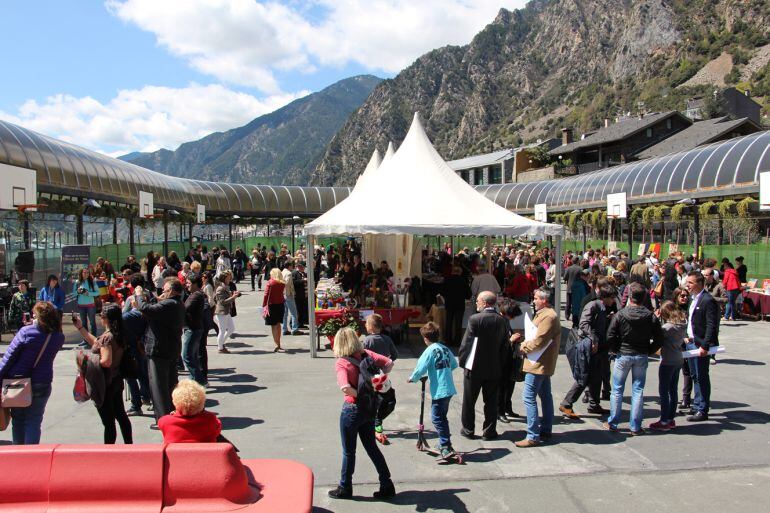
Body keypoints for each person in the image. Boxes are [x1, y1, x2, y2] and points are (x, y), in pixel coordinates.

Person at [329, 327, 395, 500]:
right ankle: (386, 484)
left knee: (349, 451)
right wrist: (375, 387)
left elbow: (345, 387)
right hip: (370, 408)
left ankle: (345, 487)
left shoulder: (342, 362)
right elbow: (389, 363)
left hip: (352, 409)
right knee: (372, 447)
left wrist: (361, 394)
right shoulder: (366, 353)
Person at [0, 301, 65, 444]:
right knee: (34, 421)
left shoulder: (26, 332)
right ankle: (32, 457)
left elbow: (9, 357)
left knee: (18, 421)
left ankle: (19, 456)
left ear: (39, 316)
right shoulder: (58, 337)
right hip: (43, 382)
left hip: (19, 383)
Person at [604, 283, 663, 435]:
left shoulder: (621, 314)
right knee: (638, 390)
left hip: (624, 353)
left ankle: (613, 422)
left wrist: (615, 349)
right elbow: (659, 338)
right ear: (644, 297)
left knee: (617, 389)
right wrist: (649, 350)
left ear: (630, 297)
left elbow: (610, 335)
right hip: (641, 354)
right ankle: (635, 426)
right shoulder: (650, 316)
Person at [73, 304, 132, 444]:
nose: (100, 317)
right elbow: (96, 342)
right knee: (121, 415)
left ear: (107, 319)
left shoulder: (107, 338)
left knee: (108, 421)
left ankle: (108, 451)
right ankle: (129, 445)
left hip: (105, 383)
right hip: (116, 380)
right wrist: (81, 328)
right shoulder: (117, 334)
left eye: (102, 315)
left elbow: (106, 361)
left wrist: (86, 360)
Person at [133, 278, 186, 427]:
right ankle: (171, 413)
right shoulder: (176, 303)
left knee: (158, 385)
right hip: (170, 349)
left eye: (166, 290)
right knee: (170, 384)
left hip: (159, 349)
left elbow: (147, 309)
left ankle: (163, 419)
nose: (163, 293)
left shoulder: (170, 304)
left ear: (173, 291)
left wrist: (139, 295)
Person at [513, 288, 561, 447]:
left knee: (529, 397)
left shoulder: (549, 316)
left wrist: (523, 347)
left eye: (536, 298)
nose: (533, 301)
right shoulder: (545, 314)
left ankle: (533, 435)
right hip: (540, 362)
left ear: (544, 300)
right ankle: (545, 428)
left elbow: (539, 340)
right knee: (545, 395)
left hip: (538, 363)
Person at [559, 283, 615, 419]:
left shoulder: (602, 308)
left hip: (597, 348)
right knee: (583, 376)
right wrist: (594, 339)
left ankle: (594, 404)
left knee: (596, 377)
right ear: (605, 297)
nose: (613, 300)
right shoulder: (593, 305)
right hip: (588, 347)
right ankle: (566, 404)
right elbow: (584, 324)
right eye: (612, 297)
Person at [458, 291, 509, 441]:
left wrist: (463, 362)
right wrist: (500, 364)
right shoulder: (502, 320)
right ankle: (489, 430)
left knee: (469, 400)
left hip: (474, 367)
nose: (476, 303)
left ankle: (468, 429)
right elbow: (504, 346)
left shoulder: (475, 319)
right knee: (491, 401)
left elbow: (466, 343)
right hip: (494, 367)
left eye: (478, 301)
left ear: (485, 303)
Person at [408, 321, 459, 460]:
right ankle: (445, 442)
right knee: (442, 417)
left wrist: (413, 378)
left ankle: (445, 444)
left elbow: (421, 367)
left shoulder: (429, 351)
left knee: (437, 418)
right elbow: (454, 364)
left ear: (425, 338)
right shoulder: (445, 348)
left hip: (440, 390)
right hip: (448, 388)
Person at [684, 271, 720, 422]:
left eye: (690, 283)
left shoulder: (707, 300)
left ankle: (703, 409)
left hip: (700, 345)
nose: (687, 286)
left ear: (699, 284)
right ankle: (697, 404)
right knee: (694, 375)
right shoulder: (693, 299)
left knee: (701, 376)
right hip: (690, 343)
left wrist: (705, 345)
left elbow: (712, 325)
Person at [650, 301, 686, 431]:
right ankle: (670, 418)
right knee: (673, 390)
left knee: (664, 391)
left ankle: (664, 420)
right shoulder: (682, 324)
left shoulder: (667, 328)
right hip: (678, 358)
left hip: (667, 360)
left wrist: (654, 317)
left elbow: (656, 335)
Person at [362, 314, 398, 444]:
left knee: (372, 399)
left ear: (370, 326)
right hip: (383, 376)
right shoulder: (387, 339)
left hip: (371, 376)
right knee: (386, 399)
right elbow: (394, 355)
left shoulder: (367, 341)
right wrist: (385, 364)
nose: (365, 325)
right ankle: (378, 420)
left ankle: (373, 422)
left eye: (366, 323)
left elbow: (363, 357)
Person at [499, 301, 526, 421]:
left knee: (510, 384)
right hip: (502, 360)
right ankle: (500, 411)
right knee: (503, 387)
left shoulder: (505, 321)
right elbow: (499, 343)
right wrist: (511, 339)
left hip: (510, 358)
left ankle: (507, 408)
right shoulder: (500, 322)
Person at [122, 306, 151, 417]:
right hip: (139, 346)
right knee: (142, 374)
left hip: (133, 348)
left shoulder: (125, 319)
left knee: (132, 377)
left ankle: (137, 404)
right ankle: (146, 396)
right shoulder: (139, 316)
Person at [182, 274, 206, 384]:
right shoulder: (195, 294)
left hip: (192, 329)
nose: (186, 285)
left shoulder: (196, 295)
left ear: (195, 284)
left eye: (188, 283)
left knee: (186, 356)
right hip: (193, 328)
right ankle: (197, 380)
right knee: (192, 356)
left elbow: (184, 309)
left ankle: (199, 381)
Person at [442, 265, 471, 346]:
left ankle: (448, 340)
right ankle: (457, 341)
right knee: (458, 323)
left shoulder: (447, 280)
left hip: (449, 303)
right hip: (459, 304)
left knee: (449, 322)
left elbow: (442, 291)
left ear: (452, 272)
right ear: (460, 272)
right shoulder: (463, 280)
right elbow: (468, 294)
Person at [213, 271, 240, 353]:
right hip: (221, 312)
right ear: (224, 278)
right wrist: (233, 297)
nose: (230, 279)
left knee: (231, 328)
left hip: (226, 311)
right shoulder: (220, 288)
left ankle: (220, 343)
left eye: (230, 277)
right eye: (228, 277)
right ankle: (220, 347)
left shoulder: (226, 286)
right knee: (222, 330)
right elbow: (222, 302)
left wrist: (233, 294)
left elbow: (226, 297)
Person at [263, 268, 286, 352]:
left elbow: (266, 295)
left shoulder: (270, 282)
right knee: (278, 324)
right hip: (280, 305)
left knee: (273, 325)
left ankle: (276, 344)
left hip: (272, 305)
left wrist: (264, 305)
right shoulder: (282, 283)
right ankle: (279, 344)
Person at [281, 260, 300, 336]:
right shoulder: (289, 273)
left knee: (285, 313)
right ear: (289, 266)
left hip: (283, 294)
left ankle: (284, 329)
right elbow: (287, 283)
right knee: (294, 313)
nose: (292, 267)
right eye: (292, 265)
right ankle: (294, 329)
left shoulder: (282, 272)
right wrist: (292, 292)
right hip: (288, 294)